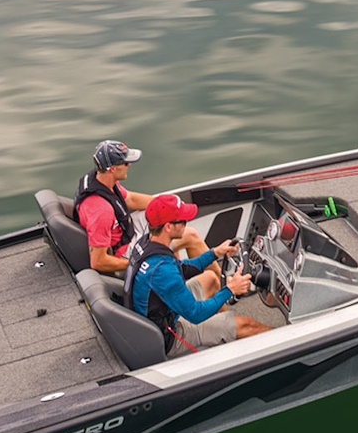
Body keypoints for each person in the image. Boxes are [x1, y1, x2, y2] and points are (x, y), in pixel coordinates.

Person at [126, 193, 273, 356]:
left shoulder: (146, 242)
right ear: (168, 227)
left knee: (211, 278)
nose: (186, 223)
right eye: (182, 220)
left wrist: (215, 253)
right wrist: (231, 289)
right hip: (170, 335)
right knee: (248, 325)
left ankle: (226, 332)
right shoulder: (163, 271)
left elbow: (181, 268)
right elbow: (196, 314)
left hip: (163, 308)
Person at [72, 139, 207, 276]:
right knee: (191, 235)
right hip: (123, 251)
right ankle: (212, 281)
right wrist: (138, 262)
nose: (129, 165)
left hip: (125, 230)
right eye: (125, 163)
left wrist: (165, 203)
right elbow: (98, 262)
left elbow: (130, 199)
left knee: (167, 218)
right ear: (112, 169)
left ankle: (175, 273)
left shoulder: (102, 180)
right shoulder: (101, 212)